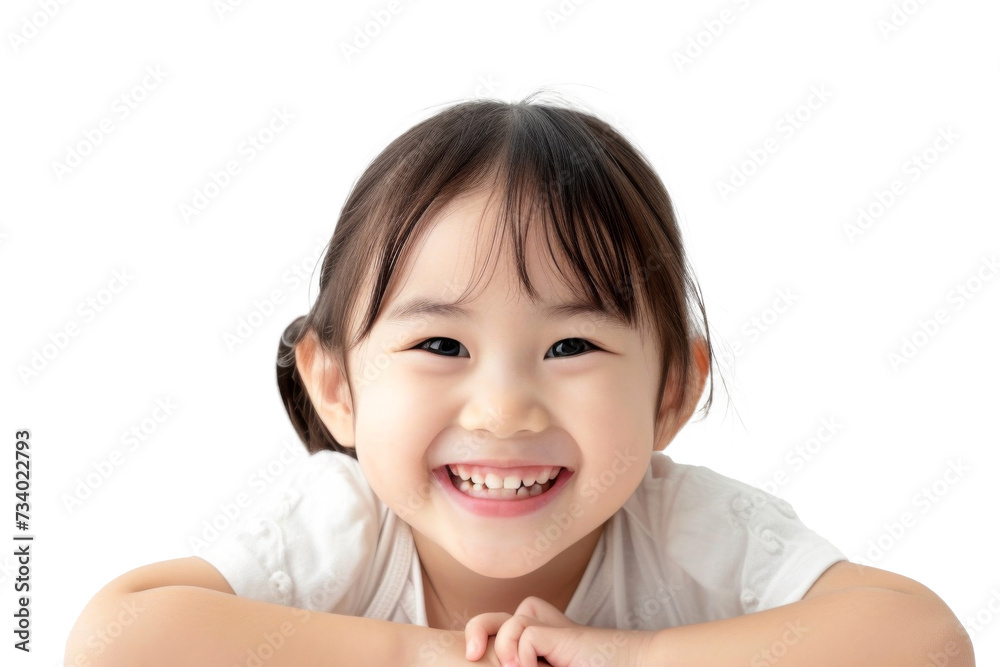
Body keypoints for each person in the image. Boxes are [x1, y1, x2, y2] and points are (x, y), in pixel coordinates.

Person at [65, 94, 974, 667]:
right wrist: (417, 654)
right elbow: (114, 640)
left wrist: (629, 653)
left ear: (672, 392)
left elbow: (924, 643)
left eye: (572, 346)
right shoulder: (346, 529)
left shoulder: (685, 531)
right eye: (442, 347)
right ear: (335, 386)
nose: (503, 410)